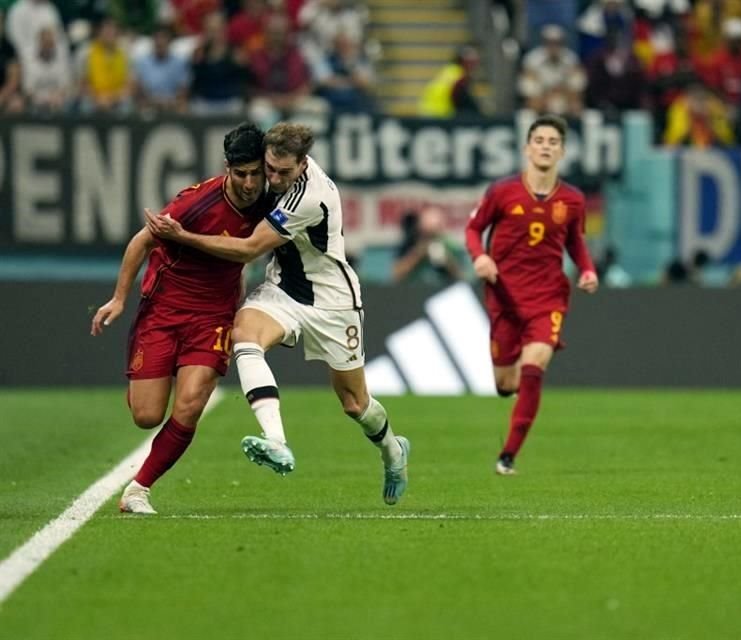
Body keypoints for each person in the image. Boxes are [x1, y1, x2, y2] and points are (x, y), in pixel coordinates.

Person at [145, 122, 410, 506]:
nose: (273, 179)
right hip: (283, 290)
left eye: (284, 172)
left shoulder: (309, 197)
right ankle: (276, 441)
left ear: (303, 164)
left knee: (355, 403)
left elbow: (250, 248)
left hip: (332, 301)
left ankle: (393, 451)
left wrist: (182, 236)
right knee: (244, 333)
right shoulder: (264, 175)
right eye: (269, 168)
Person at [91, 122, 272, 514]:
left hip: (214, 316)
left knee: (190, 404)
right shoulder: (196, 203)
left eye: (256, 174)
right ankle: (150, 379)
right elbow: (141, 241)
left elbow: (252, 249)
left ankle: (138, 489)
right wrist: (119, 298)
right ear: (227, 168)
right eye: (241, 173)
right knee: (147, 415)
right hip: (164, 309)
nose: (249, 183)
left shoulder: (271, 200)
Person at [465, 114, 598, 475]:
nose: (545, 147)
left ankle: (508, 456)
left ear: (562, 151)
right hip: (505, 296)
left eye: (553, 142)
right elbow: (474, 229)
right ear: (527, 148)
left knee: (534, 365)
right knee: (506, 384)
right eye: (539, 140)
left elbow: (575, 242)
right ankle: (512, 418)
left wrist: (587, 269)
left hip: (548, 297)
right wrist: (480, 257)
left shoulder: (572, 199)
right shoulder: (502, 191)